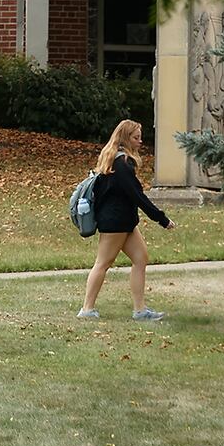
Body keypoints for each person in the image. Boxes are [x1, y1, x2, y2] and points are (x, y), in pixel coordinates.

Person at [78, 119, 174, 322]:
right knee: (103, 263)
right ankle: (87, 309)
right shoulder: (121, 164)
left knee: (141, 258)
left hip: (125, 222)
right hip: (115, 223)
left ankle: (140, 311)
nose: (140, 141)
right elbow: (138, 196)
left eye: (140, 137)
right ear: (125, 138)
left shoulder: (114, 160)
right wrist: (161, 219)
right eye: (136, 137)